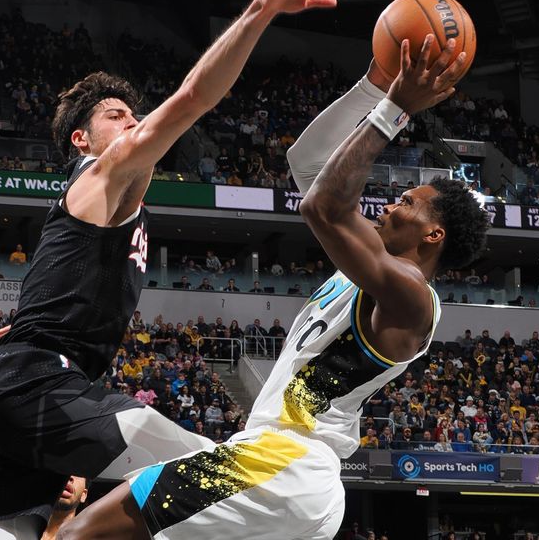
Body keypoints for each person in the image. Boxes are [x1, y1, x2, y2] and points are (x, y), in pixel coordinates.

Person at [0, 0, 345, 539]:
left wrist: (25, 326)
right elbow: (194, 97)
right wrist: (262, 10)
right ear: (82, 139)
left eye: (133, 113)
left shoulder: (103, 205)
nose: (133, 122)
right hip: (37, 386)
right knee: (220, 477)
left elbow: (57, 282)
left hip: (14, 396)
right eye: (117, 116)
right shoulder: (101, 171)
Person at [59, 37, 486, 538]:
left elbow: (321, 205)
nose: (391, 204)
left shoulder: (411, 297)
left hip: (283, 464)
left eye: (408, 203)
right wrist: (373, 87)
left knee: (79, 533)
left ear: (434, 235)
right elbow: (306, 162)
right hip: (294, 476)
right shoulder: (369, 263)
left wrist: (395, 109)